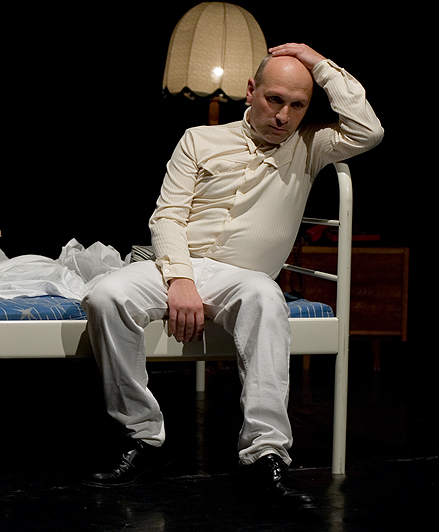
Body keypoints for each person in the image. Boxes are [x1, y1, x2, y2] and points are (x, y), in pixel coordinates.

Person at [81, 43, 383, 509]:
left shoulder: (311, 146)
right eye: (274, 99)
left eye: (297, 105)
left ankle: (266, 453)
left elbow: (369, 129)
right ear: (251, 90)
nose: (283, 115)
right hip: (176, 265)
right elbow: (167, 216)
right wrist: (180, 279)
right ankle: (142, 436)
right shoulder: (198, 139)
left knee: (266, 297)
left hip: (243, 277)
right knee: (106, 296)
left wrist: (319, 63)